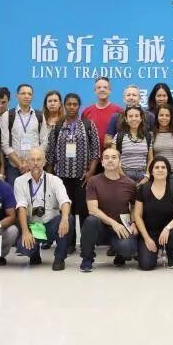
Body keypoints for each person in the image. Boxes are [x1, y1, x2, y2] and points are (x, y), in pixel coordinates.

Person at [46, 93, 100, 254]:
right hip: (62, 177)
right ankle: (68, 243)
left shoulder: (88, 124)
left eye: (74, 104)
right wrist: (50, 177)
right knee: (66, 211)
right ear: (64, 105)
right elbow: (50, 153)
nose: (71, 107)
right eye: (68, 104)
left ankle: (85, 244)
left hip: (83, 177)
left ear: (79, 106)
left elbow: (96, 151)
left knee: (84, 211)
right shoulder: (58, 126)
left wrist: (91, 172)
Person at [13, 147, 73, 271]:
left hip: (51, 225)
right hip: (33, 227)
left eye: (39, 159)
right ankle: (34, 254)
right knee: (23, 248)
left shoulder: (54, 180)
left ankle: (59, 258)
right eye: (32, 160)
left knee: (68, 219)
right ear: (27, 162)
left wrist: (64, 218)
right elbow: (21, 207)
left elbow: (65, 201)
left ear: (44, 162)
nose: (35, 163)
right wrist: (25, 232)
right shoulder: (19, 181)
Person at [80, 147, 138, 271]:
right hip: (100, 228)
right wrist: (113, 223)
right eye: (106, 158)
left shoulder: (130, 184)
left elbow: (134, 207)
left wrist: (133, 222)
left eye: (114, 157)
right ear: (102, 163)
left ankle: (120, 254)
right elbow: (92, 209)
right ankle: (87, 259)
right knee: (90, 220)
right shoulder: (93, 181)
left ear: (120, 162)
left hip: (121, 228)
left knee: (128, 249)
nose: (110, 160)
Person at [132, 156, 173, 270]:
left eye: (163, 167)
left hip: (169, 231)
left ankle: (171, 255)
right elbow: (137, 215)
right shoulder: (143, 189)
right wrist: (146, 238)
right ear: (151, 171)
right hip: (149, 232)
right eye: (156, 167)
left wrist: (167, 228)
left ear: (168, 170)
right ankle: (156, 250)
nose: (160, 170)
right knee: (146, 265)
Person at [0, 83, 44, 185]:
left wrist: (31, 163)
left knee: (34, 194)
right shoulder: (7, 115)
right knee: (14, 194)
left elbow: (44, 142)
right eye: (23, 93)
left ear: (32, 96)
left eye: (29, 94)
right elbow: (5, 144)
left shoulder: (39, 116)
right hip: (14, 166)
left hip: (34, 166)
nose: (26, 96)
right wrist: (20, 164)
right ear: (16, 95)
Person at [81, 76, 122, 156]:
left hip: (112, 157)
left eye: (105, 87)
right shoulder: (86, 112)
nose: (102, 89)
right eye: (99, 87)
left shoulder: (119, 111)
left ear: (110, 90)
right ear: (95, 91)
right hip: (91, 157)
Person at [113, 106, 153, 184]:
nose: (134, 119)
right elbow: (114, 158)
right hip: (124, 174)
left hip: (143, 174)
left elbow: (150, 159)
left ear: (141, 118)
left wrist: (147, 176)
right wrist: (123, 177)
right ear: (126, 119)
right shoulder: (119, 136)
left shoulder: (147, 136)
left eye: (136, 116)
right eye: (130, 116)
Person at [152, 105, 173, 186]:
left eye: (167, 115)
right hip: (157, 174)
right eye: (161, 115)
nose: (164, 118)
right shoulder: (151, 134)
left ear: (171, 117)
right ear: (157, 117)